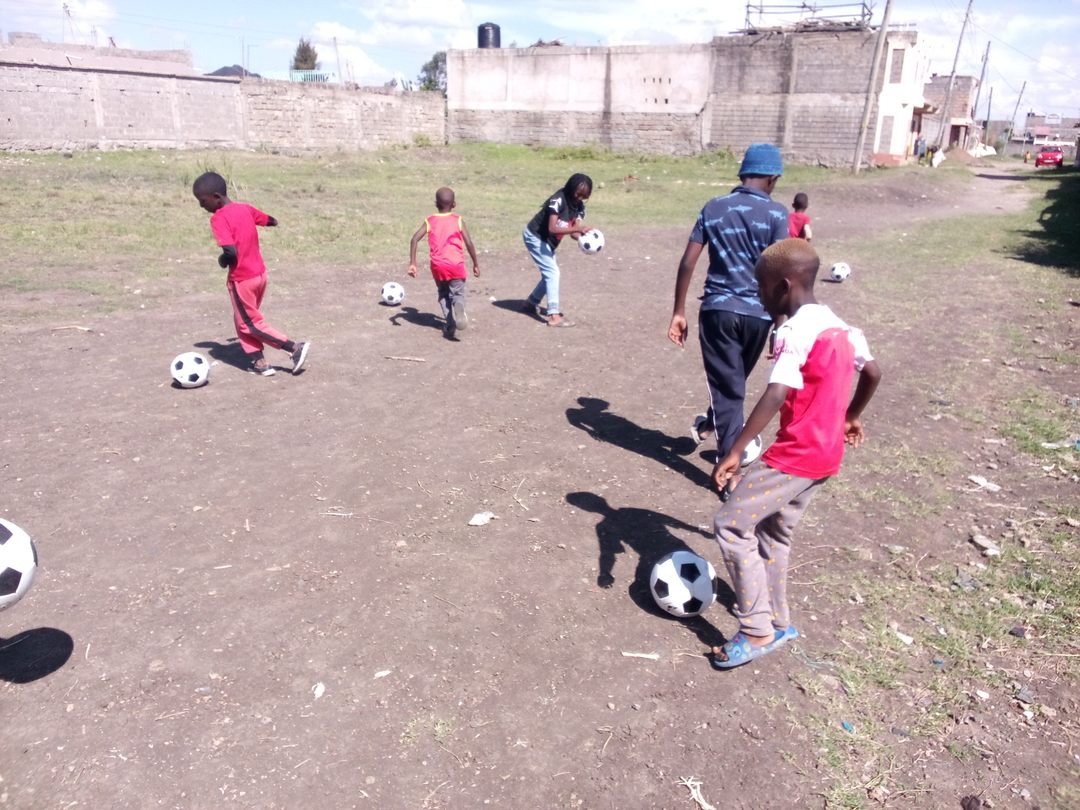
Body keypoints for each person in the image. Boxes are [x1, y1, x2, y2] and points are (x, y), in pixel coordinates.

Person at [709, 238, 881, 669]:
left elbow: (777, 392)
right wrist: (852, 416)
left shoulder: (793, 331)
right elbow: (874, 372)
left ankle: (757, 629)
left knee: (731, 525)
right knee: (774, 533)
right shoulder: (844, 328)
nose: (760, 296)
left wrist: (735, 450)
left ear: (782, 286)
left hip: (795, 457)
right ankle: (778, 621)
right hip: (826, 457)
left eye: (761, 288)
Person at [667, 143, 788, 499]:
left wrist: (679, 310)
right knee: (732, 385)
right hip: (758, 315)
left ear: (743, 174)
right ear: (772, 178)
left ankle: (721, 448)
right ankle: (724, 455)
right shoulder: (777, 214)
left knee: (730, 387)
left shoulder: (714, 207)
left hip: (718, 311)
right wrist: (780, 322)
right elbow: (781, 272)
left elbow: (688, 262)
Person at [192, 172, 309, 377]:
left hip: (242, 279)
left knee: (250, 323)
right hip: (260, 276)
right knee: (242, 320)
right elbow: (267, 220)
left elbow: (230, 252)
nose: (202, 206)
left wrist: (223, 260)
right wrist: (274, 221)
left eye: (202, 201)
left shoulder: (219, 218)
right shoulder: (244, 208)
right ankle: (260, 363)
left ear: (216, 197)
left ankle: (293, 348)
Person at [522, 173, 594, 328]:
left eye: (584, 196)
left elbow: (574, 233)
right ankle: (554, 316)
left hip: (548, 241)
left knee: (550, 273)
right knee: (552, 273)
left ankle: (531, 302)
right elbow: (552, 228)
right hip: (535, 236)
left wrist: (585, 238)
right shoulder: (558, 200)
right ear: (570, 188)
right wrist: (577, 229)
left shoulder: (579, 207)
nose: (579, 198)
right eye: (578, 194)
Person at [408, 187, 480, 339]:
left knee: (443, 293)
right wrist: (475, 263)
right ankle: (458, 306)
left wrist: (413, 263)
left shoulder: (430, 221)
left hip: (438, 266)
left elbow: (414, 239)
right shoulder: (458, 220)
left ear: (436, 203)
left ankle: (450, 322)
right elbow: (469, 243)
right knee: (457, 293)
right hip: (456, 265)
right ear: (454, 204)